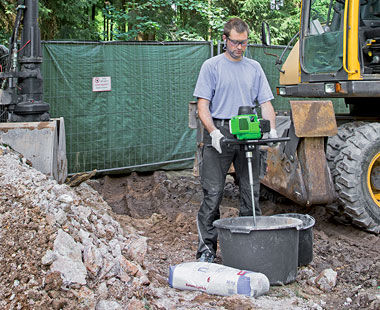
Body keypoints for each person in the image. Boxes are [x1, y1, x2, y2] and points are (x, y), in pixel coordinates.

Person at [193, 18, 277, 263]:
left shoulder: (254, 68)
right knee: (213, 192)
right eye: (235, 42)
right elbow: (202, 106)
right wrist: (213, 132)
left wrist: (270, 128)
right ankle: (207, 249)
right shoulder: (211, 66)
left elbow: (266, 103)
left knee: (251, 190)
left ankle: (250, 244)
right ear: (225, 40)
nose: (240, 47)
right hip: (220, 130)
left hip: (248, 131)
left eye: (244, 43)